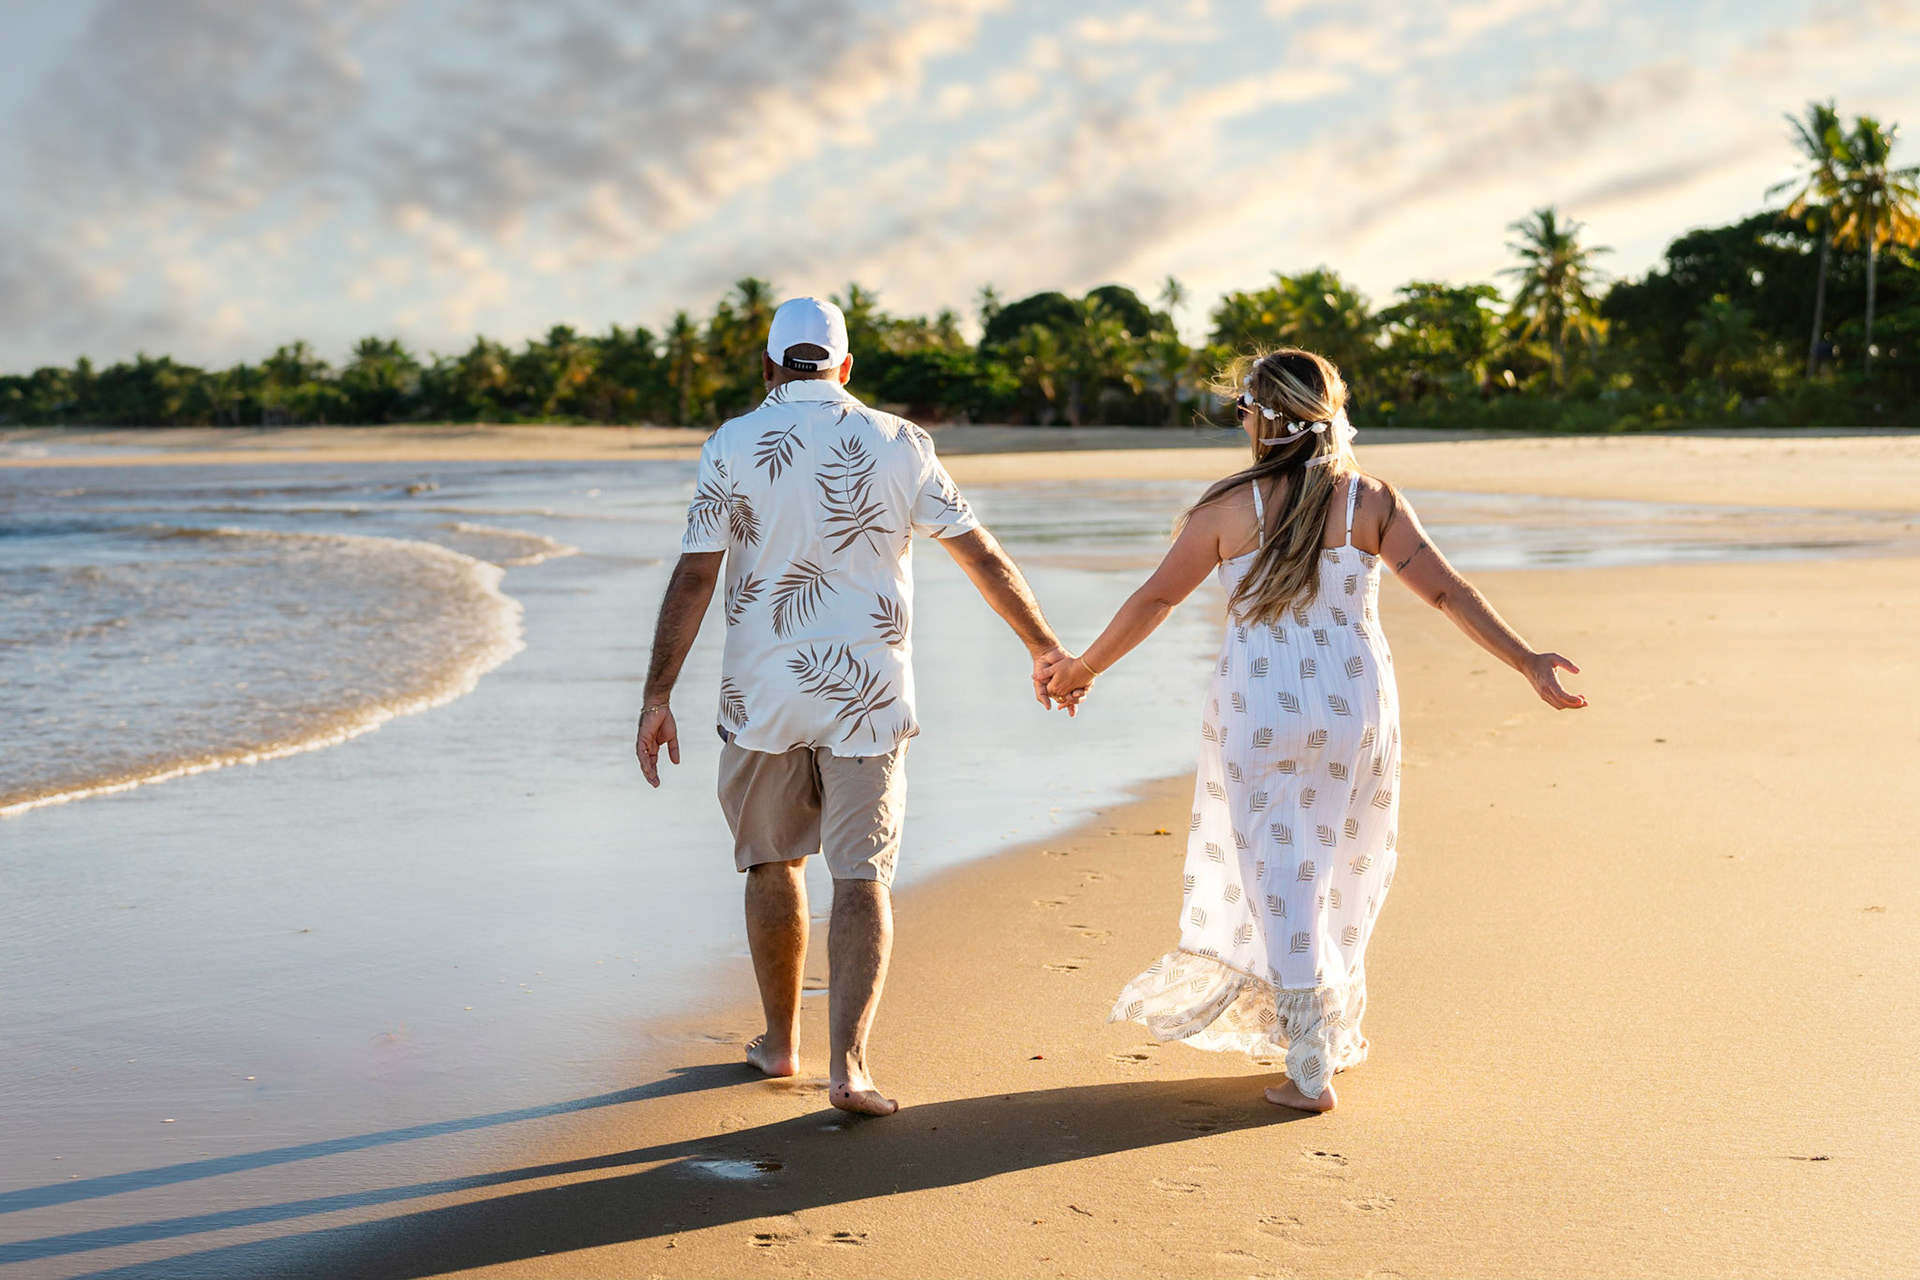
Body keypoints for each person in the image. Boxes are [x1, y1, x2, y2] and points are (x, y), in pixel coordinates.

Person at [1040, 347, 1587, 1112]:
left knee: (1281, 872)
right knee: (1344, 861)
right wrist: (1525, 660)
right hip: (1355, 707)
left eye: (1242, 410)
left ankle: (1309, 1062)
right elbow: (1445, 591)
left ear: (1262, 418)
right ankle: (1321, 1031)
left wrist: (1084, 668)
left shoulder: (1227, 509)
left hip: (1262, 708)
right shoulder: (1369, 500)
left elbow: (1155, 599)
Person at [636, 296, 1070, 1116]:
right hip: (869, 693)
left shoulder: (730, 443)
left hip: (764, 694)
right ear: (846, 367)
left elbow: (696, 575)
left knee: (772, 862)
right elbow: (978, 553)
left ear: (769, 366)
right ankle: (850, 1069)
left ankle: (778, 1045)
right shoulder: (900, 442)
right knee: (862, 877)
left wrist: (658, 696)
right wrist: (1044, 647)